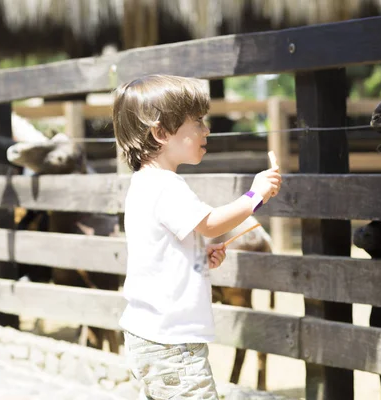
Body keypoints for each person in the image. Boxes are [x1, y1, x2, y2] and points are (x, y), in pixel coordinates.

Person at [113, 74, 282, 399]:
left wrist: (197, 258)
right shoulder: (166, 186)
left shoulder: (144, 184)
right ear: (161, 133)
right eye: (198, 122)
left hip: (148, 336)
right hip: (173, 344)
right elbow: (211, 224)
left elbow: (159, 254)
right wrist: (255, 195)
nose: (207, 130)